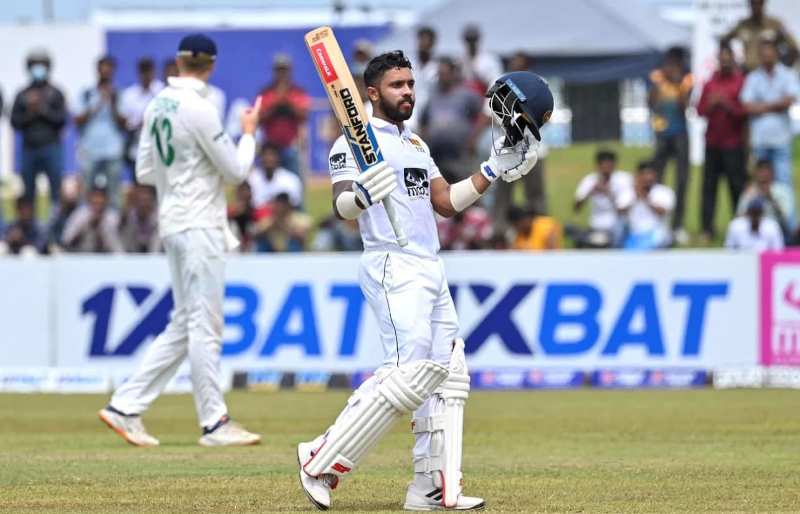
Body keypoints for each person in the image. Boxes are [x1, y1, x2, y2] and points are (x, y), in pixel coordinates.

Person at [297, 51, 550, 511]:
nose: (408, 92)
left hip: (429, 264)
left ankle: (430, 486)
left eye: (411, 84)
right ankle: (320, 458)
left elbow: (446, 203)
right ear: (371, 93)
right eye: (397, 85)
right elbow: (339, 206)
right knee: (407, 376)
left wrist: (491, 169)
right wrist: (360, 195)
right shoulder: (350, 142)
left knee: (447, 376)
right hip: (391, 263)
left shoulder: (415, 144)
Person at [98, 34, 262, 447]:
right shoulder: (202, 109)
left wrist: (182, 178)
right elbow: (237, 171)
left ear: (179, 61)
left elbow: (143, 172)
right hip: (200, 225)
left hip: (172, 222)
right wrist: (248, 133)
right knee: (205, 326)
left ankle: (125, 406)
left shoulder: (158, 104)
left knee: (184, 323)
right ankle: (214, 423)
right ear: (211, 65)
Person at [491, 51, 549, 235]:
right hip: (508, 149)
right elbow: (493, 112)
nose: (516, 67)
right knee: (503, 194)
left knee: (535, 194)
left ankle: (541, 231)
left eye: (520, 64)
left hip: (534, 148)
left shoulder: (539, 83)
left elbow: (545, 114)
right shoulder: (502, 83)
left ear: (526, 66)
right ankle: (499, 234)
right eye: (514, 64)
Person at [696, 42, 748, 242]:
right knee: (709, 187)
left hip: (733, 144)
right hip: (712, 143)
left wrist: (726, 104)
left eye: (729, 59)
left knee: (736, 186)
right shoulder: (710, 83)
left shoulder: (740, 82)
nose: (725, 63)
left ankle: (740, 227)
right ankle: (707, 228)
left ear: (733, 60)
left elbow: (744, 111)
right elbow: (700, 110)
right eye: (722, 59)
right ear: (718, 60)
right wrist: (711, 104)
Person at [10, 50, 67, 213]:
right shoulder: (22, 95)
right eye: (35, 65)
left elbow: (61, 120)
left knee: (56, 191)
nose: (38, 69)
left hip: (51, 147)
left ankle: (55, 230)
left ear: (48, 67)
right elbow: (15, 123)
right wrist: (30, 112)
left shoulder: (56, 93)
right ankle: (31, 231)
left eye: (41, 65)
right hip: (29, 149)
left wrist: (42, 109)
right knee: (28, 193)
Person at [740, 35, 799, 188]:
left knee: (784, 185)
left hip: (781, 139)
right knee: (761, 186)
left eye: (770, 53)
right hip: (760, 140)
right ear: (760, 56)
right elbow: (747, 105)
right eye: (763, 54)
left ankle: (787, 214)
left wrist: (762, 106)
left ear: (776, 54)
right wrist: (775, 105)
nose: (767, 57)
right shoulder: (753, 77)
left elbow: (789, 100)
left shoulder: (787, 74)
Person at [649, 47, 692, 244]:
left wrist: (678, 85)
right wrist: (660, 85)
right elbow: (651, 103)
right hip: (661, 134)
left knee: (681, 180)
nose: (671, 67)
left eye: (675, 63)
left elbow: (685, 107)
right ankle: (658, 221)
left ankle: (678, 225)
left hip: (680, 133)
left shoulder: (686, 80)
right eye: (669, 63)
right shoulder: (657, 79)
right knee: (658, 177)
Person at [419, 57, 484, 182]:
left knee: (464, 190)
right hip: (436, 155)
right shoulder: (433, 96)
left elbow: (482, 114)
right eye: (440, 74)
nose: (442, 77)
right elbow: (423, 120)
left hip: (459, 154)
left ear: (453, 73)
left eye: (445, 73)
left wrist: (474, 138)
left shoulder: (466, 95)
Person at [74, 55, 128, 207]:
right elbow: (77, 120)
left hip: (113, 149)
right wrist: (97, 104)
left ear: (113, 72)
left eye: (109, 70)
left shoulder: (118, 94)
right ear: (97, 71)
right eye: (103, 69)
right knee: (86, 191)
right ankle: (84, 224)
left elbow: (124, 124)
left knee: (114, 193)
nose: (106, 73)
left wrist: (112, 104)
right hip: (90, 149)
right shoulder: (87, 93)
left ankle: (113, 226)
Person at [257, 53, 311, 174]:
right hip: (270, 149)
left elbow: (304, 115)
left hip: (291, 146)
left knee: (295, 183)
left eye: (284, 70)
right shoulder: (266, 92)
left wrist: (286, 101)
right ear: (274, 71)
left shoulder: (298, 92)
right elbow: (259, 117)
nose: (282, 74)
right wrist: (276, 103)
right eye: (279, 70)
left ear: (290, 71)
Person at [571, 149, 633, 248]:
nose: (606, 169)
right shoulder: (590, 180)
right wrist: (589, 193)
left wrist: (608, 193)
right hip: (595, 226)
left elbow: (623, 211)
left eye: (609, 165)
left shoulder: (623, 180)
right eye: (603, 165)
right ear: (598, 166)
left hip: (616, 228)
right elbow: (576, 208)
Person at [722, 0, 798, 72]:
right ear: (750, 4)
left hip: (768, 74)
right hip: (748, 72)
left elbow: (793, 47)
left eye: (759, 3)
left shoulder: (774, 25)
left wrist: (785, 66)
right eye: (753, 3)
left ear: (763, 3)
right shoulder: (743, 25)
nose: (756, 6)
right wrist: (733, 63)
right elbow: (724, 40)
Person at [120, 58, 164, 176]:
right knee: (139, 184)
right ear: (138, 73)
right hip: (137, 148)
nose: (146, 75)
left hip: (160, 149)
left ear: (154, 72)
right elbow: (125, 123)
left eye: (149, 71)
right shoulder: (129, 94)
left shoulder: (162, 91)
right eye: (143, 71)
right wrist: (138, 123)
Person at [622, 161, 676, 250]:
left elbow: (662, 212)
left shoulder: (664, 192)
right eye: (644, 174)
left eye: (650, 174)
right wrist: (635, 198)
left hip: (657, 233)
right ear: (638, 176)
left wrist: (645, 198)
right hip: (634, 234)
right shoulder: (629, 192)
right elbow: (620, 212)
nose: (648, 178)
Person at [736, 159, 795, 238]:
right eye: (761, 171)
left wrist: (771, 198)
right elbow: (739, 218)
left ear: (772, 173)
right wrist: (752, 202)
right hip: (753, 232)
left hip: (779, 232)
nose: (763, 175)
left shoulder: (782, 191)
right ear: (755, 173)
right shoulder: (749, 192)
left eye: (766, 171)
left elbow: (786, 219)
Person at [61, 187, 124, 253]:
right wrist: (86, 226)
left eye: (101, 197)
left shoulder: (113, 217)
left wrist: (101, 228)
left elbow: (118, 249)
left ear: (107, 199)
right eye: (95, 196)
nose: (98, 200)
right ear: (89, 198)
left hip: (107, 259)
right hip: (81, 257)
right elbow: (66, 242)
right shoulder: (80, 215)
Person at [247, 141, 303, 209]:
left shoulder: (291, 180)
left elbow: (295, 204)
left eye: (272, 155)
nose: (268, 158)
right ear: (260, 158)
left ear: (278, 158)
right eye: (265, 155)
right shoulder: (251, 179)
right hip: (258, 217)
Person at [407, 26, 438, 130]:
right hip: (410, 110)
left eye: (427, 41)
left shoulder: (437, 67)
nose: (424, 44)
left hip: (430, 113)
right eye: (422, 40)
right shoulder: (408, 63)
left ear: (432, 44)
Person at [460, 24, 502, 95]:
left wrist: (488, 98)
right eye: (468, 39)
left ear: (478, 39)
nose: (471, 43)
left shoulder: (489, 60)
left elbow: (498, 83)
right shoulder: (459, 59)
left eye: (473, 39)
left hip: (483, 96)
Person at [119, 184, 160, 253]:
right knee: (127, 229)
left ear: (151, 200)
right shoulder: (130, 213)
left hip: (153, 249)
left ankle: (154, 257)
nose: (143, 204)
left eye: (146, 200)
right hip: (134, 249)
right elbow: (121, 227)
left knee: (160, 229)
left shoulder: (158, 214)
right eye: (141, 200)